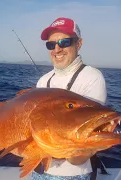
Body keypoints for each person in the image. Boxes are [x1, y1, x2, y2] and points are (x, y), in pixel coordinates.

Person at [33, 17, 107, 180]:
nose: (57, 49)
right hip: (38, 169)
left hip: (73, 174)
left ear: (78, 44)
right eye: (51, 45)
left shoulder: (92, 77)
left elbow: (84, 145)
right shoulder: (43, 80)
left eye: (64, 42)